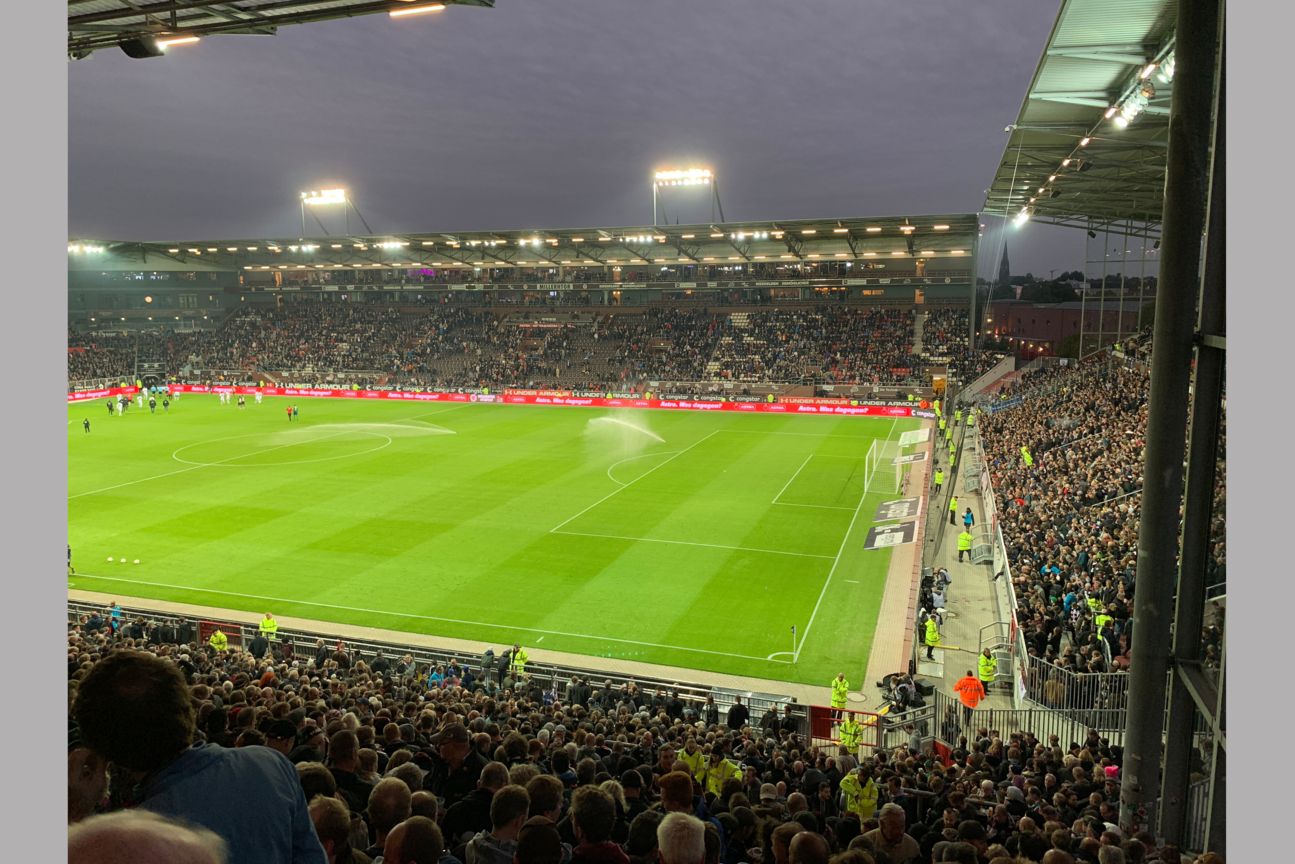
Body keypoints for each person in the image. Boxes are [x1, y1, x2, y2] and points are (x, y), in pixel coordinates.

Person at [72, 650, 327, 863]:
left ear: (101, 750)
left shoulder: (123, 844)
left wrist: (74, 814)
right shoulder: (271, 764)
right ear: (185, 708)